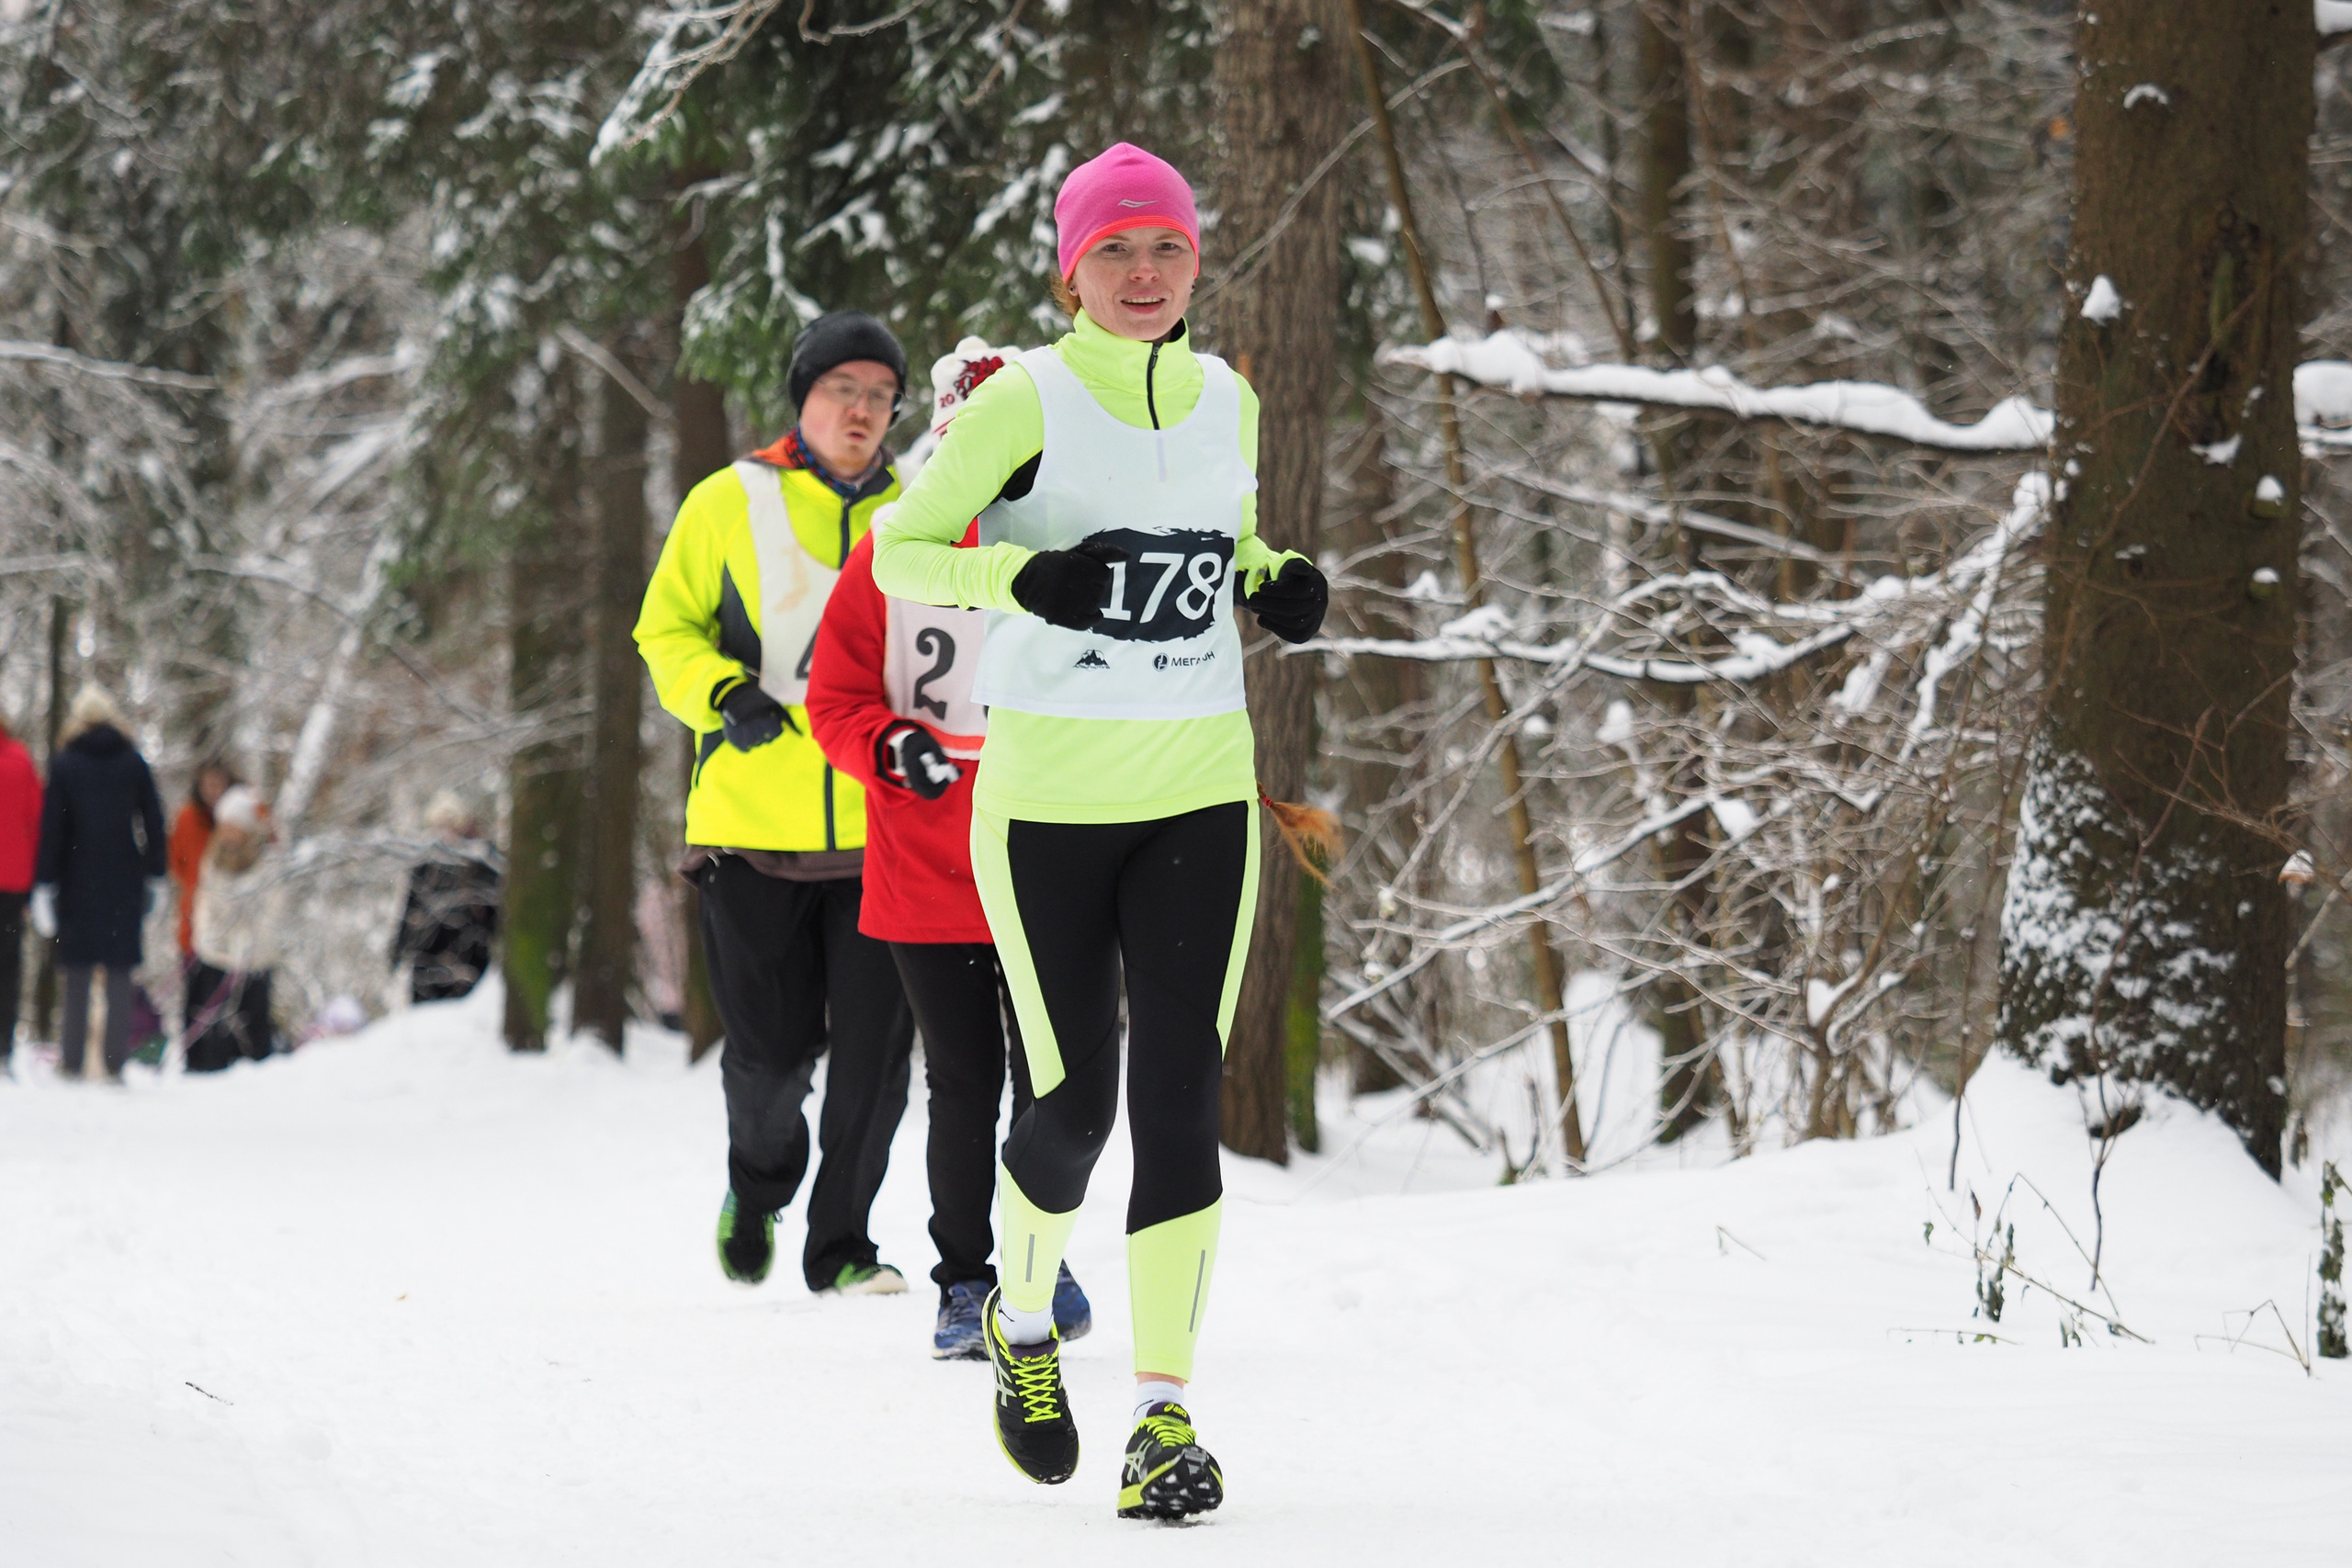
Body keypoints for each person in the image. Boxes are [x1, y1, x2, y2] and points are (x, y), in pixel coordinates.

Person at [870, 143, 1329, 1520]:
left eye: (1168, 249)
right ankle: (1019, 1318)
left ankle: (1164, 1414)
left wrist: (1276, 578)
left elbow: (1222, 540)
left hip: (1198, 787)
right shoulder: (1028, 398)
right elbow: (903, 547)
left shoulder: (1228, 397)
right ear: (1072, 271)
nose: (1144, 273)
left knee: (1179, 1099)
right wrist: (1029, 576)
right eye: (1116, 251)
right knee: (1070, 1102)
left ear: (1196, 265)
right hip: (1051, 807)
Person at [806, 339, 1093, 1361]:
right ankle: (967, 1279)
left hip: (1051, 861)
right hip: (928, 869)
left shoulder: (1073, 535)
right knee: (965, 1081)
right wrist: (891, 746)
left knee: (1054, 1083)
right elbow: (833, 700)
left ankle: (1036, 1257)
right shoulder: (893, 546)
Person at [635, 309, 921, 1298]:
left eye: (881, 396)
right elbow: (662, 631)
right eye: (843, 389)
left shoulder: (920, 508)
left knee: (878, 1068)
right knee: (768, 1063)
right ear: (802, 397)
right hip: (753, 837)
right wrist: (723, 693)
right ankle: (758, 1187)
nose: (863, 411)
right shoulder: (730, 500)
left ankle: (840, 1246)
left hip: (887, 832)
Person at [30, 687, 167, 1083]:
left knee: (77, 968)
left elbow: (53, 829)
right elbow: (153, 821)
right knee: (120, 968)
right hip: (125, 875)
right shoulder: (133, 761)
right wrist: (156, 873)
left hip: (76, 877)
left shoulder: (67, 763)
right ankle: (114, 1062)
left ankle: (72, 1061)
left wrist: (44, 883)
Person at [187, 786, 286, 1071]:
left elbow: (271, 911)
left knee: (252, 1024)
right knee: (209, 1025)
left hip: (255, 959)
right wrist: (206, 938)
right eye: (224, 827)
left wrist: (248, 945)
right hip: (216, 955)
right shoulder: (214, 858)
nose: (228, 834)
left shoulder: (267, 860)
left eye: (234, 827)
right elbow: (205, 903)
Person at [390, 791, 501, 1003]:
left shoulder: (479, 860)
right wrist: (399, 949)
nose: (443, 832)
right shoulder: (425, 864)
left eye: (449, 823)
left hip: (469, 954)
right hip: (428, 956)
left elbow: (494, 907)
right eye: (438, 825)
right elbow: (411, 906)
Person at [0, 716, 40, 1073]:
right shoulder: (20, 761)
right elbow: (37, 819)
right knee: (9, 964)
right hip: (13, 882)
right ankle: (4, 1047)